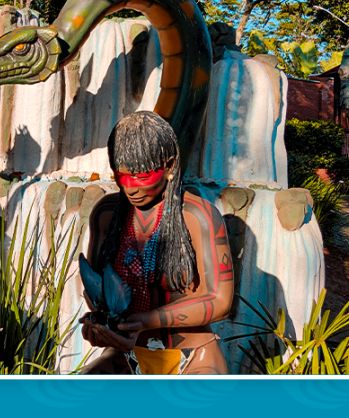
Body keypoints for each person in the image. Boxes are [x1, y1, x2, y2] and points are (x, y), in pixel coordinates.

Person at [80, 111, 234, 374]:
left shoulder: (199, 216)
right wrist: (99, 323)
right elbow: (95, 288)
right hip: (125, 355)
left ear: (170, 166)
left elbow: (220, 300)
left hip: (193, 357)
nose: (130, 188)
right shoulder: (106, 214)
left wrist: (146, 321)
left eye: (141, 176)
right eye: (121, 175)